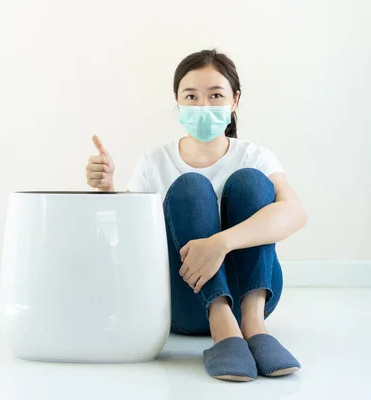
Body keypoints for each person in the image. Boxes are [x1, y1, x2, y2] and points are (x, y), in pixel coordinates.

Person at [84, 49, 307, 382]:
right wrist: (107, 189)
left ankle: (254, 327)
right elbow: (126, 239)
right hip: (187, 303)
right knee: (190, 188)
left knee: (251, 182)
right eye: (191, 96)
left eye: (216, 95)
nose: (203, 106)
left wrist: (220, 243)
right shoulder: (154, 161)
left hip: (254, 295)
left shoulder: (256, 156)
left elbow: (294, 212)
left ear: (234, 100)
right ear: (177, 101)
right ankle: (223, 330)